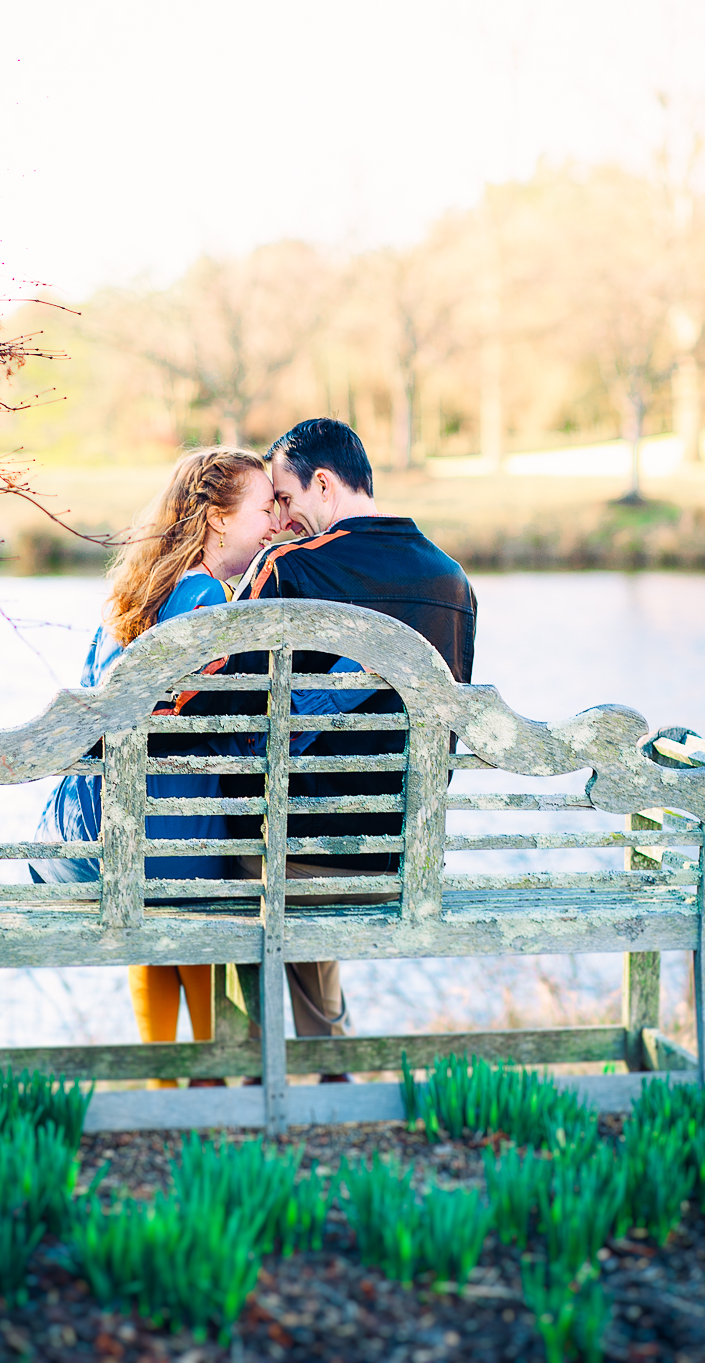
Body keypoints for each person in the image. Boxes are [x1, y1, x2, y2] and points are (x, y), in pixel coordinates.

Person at [33, 444, 371, 1075]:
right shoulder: (211, 610)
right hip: (166, 849)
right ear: (217, 518)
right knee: (240, 867)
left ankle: (172, 1080)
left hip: (96, 838)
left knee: (196, 857)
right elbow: (250, 733)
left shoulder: (136, 594)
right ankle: (221, 1077)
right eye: (265, 507)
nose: (277, 522)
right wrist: (348, 680)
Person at [230, 417, 477, 1041]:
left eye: (283, 499)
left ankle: (246, 1062)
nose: (281, 518)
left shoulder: (289, 568)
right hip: (405, 857)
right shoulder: (453, 583)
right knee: (284, 834)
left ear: (322, 484)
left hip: (297, 860)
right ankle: (326, 1052)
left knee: (228, 844)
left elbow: (227, 717)